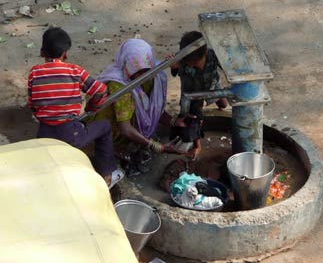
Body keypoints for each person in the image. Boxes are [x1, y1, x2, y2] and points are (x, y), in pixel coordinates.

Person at [28, 27, 124, 189]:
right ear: (65, 54)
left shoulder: (34, 73)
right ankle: (108, 173)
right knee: (105, 126)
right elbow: (101, 90)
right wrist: (92, 106)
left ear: (41, 52)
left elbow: (32, 105)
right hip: (70, 134)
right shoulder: (75, 71)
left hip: (43, 134)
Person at [93, 38, 195, 176]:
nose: (142, 77)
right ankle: (116, 150)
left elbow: (154, 110)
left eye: (145, 71)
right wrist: (158, 147)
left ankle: (136, 145)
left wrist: (174, 121)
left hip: (129, 124)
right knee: (116, 158)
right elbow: (125, 128)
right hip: (113, 128)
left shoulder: (155, 75)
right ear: (126, 65)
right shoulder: (119, 85)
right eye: (136, 72)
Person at [171, 30, 229, 113]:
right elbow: (174, 72)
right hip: (191, 88)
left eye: (195, 64)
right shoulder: (181, 57)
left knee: (223, 104)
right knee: (194, 113)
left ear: (205, 52)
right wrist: (173, 67)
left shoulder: (214, 55)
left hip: (211, 83)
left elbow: (228, 68)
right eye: (189, 64)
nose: (192, 66)